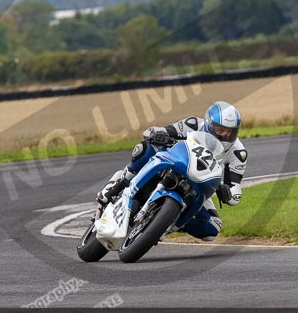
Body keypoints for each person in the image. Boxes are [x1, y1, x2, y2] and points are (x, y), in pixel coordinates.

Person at [95, 101, 248, 241]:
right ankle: (119, 183)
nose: (225, 135)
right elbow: (156, 131)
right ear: (208, 124)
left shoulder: (238, 153)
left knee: (212, 228)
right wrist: (159, 135)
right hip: (177, 162)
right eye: (220, 130)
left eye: (230, 132)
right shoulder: (194, 124)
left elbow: (235, 190)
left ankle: (168, 221)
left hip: (200, 182)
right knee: (146, 148)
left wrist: (227, 193)